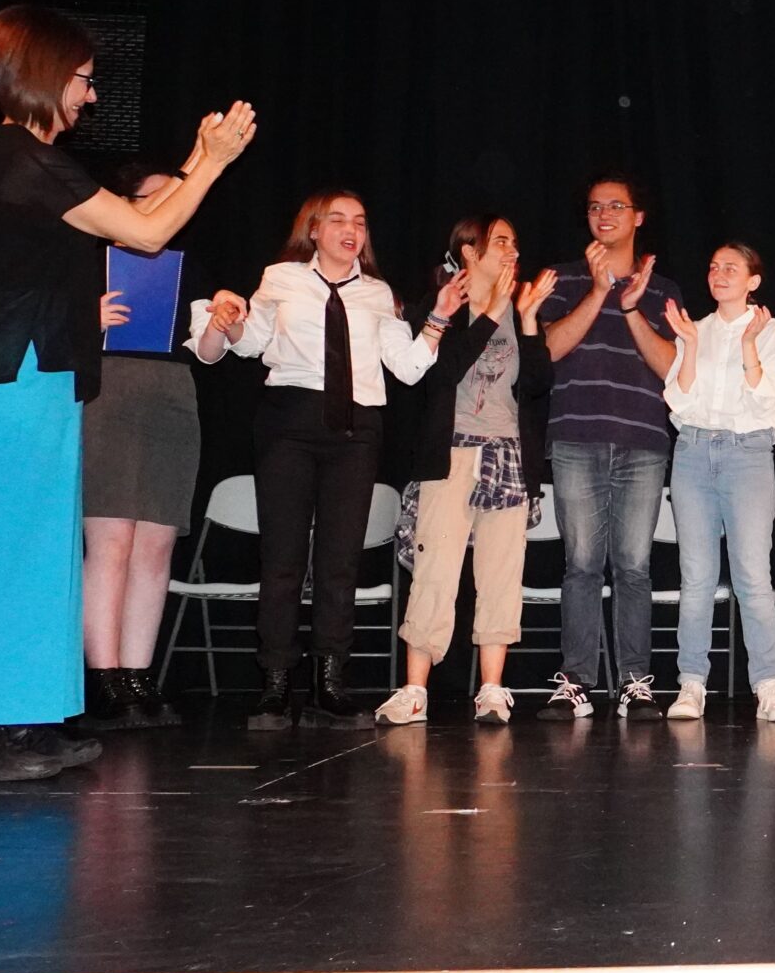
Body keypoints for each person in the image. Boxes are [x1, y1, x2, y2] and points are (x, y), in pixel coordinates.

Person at [0, 5, 254, 782]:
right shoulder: (19, 156)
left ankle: (19, 718)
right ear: (45, 76)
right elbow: (145, 232)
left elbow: (138, 217)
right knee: (5, 549)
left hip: (39, 373)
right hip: (11, 372)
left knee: (42, 556)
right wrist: (212, 163)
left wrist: (196, 156)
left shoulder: (32, 161)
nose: (90, 94)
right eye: (82, 79)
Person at [196, 189, 446, 731]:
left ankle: (329, 684)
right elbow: (250, 341)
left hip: (357, 429)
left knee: (340, 560)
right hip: (289, 420)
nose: (350, 230)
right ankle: (275, 683)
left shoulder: (378, 293)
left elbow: (406, 368)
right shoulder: (281, 278)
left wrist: (438, 320)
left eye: (360, 221)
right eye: (337, 220)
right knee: (282, 557)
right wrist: (229, 319)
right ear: (313, 229)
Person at [375, 217, 556, 728]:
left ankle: (492, 690)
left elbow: (539, 383)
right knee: (435, 571)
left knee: (501, 575)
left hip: (508, 455)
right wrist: (492, 310)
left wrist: (527, 319)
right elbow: (442, 372)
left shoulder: (518, 309)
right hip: (450, 455)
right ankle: (414, 691)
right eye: (501, 242)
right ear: (470, 252)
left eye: (515, 242)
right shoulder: (443, 307)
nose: (513, 251)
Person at [534, 175, 682, 721]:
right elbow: (547, 350)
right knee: (580, 565)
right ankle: (575, 681)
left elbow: (672, 369)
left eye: (617, 205)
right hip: (575, 437)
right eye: (595, 207)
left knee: (635, 566)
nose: (604, 214)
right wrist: (599, 291)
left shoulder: (663, 288)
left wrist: (631, 305)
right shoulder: (563, 279)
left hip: (643, 440)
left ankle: (635, 683)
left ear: (638, 216)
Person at [79, 160, 206, 733]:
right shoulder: (90, 257)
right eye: (152, 199)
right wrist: (88, 319)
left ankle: (137, 674)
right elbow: (40, 322)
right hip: (109, 388)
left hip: (172, 394)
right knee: (112, 540)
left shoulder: (187, 265)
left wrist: (224, 320)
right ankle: (102, 676)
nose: (168, 210)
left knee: (156, 543)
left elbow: (209, 346)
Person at [662, 242, 775, 724]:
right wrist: (690, 346)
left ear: (753, 281)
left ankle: (768, 684)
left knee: (752, 576)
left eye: (731, 268)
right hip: (694, 451)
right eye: (713, 266)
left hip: (748, 453)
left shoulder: (773, 332)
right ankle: (691, 683)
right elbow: (678, 401)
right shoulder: (694, 329)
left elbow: (768, 401)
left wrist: (747, 346)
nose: (719, 274)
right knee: (696, 576)